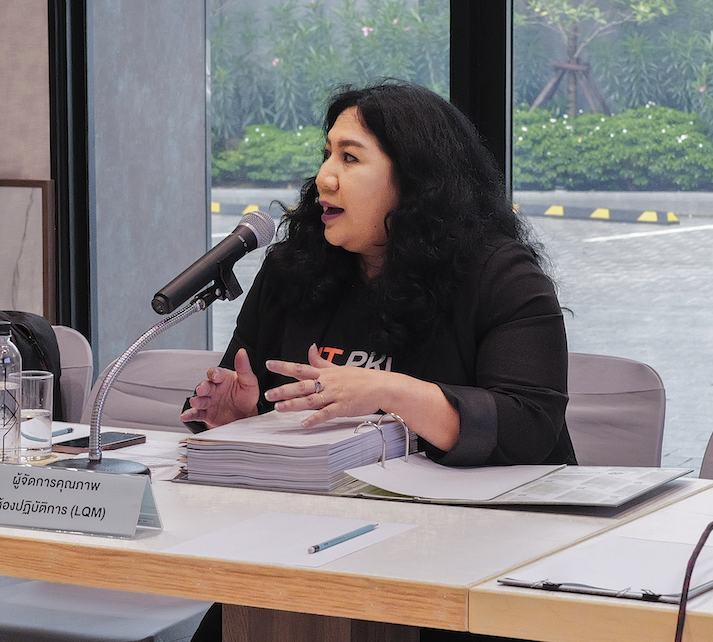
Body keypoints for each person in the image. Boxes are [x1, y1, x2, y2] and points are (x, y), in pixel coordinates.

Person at [183, 80, 575, 467]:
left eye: (349, 158)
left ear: (415, 179)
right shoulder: (292, 269)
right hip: (320, 498)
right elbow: (248, 392)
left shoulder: (503, 277)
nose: (324, 178)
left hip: (479, 504)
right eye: (327, 155)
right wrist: (241, 417)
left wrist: (387, 391)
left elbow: (530, 427)